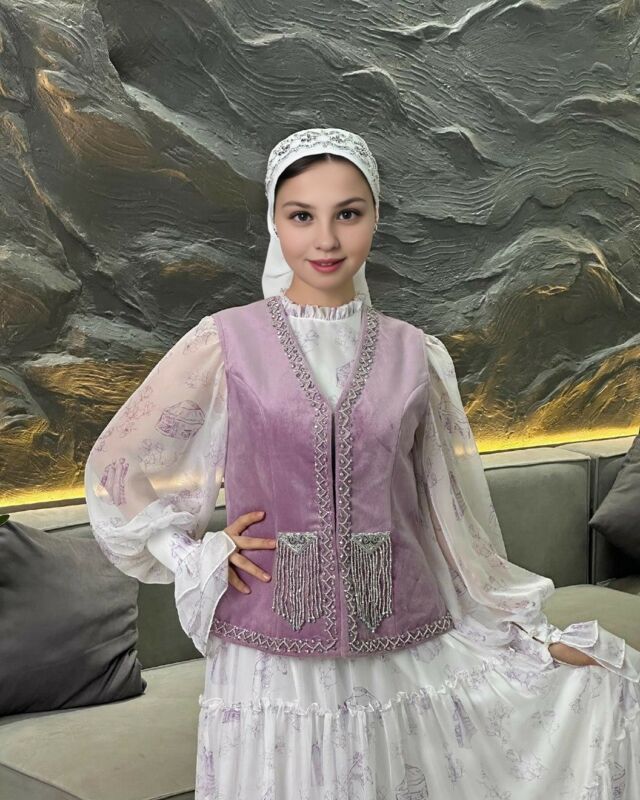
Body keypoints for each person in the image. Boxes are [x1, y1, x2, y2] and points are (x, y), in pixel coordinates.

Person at [84, 127, 640, 799]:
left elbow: (449, 518)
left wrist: (527, 634)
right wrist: (192, 554)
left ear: (375, 216)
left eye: (347, 213)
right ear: (274, 223)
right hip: (270, 652)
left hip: (399, 642)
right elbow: (117, 469)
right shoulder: (224, 344)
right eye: (302, 216)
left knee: (600, 687)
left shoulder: (416, 356)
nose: (325, 239)